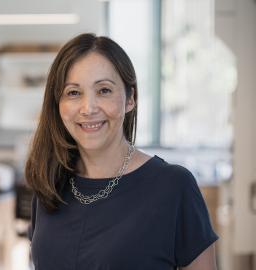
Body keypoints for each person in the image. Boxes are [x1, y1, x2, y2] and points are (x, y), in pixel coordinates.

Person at [25, 33, 218, 270]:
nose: (88, 108)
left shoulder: (173, 187)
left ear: (130, 99)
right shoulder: (49, 184)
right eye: (74, 93)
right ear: (58, 104)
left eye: (104, 90)